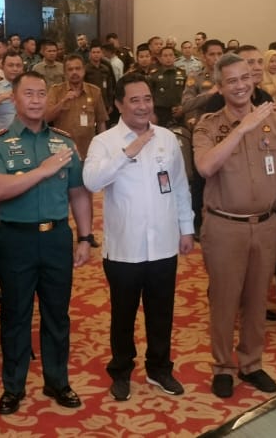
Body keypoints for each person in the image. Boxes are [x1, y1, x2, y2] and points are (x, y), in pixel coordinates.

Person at [0, 70, 94, 414]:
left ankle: (57, 381)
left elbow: (78, 192)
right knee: (16, 315)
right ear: (14, 99)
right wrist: (42, 171)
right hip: (16, 239)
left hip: (57, 237)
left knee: (57, 314)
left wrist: (85, 236)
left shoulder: (63, 142)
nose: (35, 100)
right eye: (28, 94)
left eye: (41, 94)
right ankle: (13, 386)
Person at [83, 73, 194, 401]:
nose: (143, 106)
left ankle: (159, 369)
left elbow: (179, 185)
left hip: (163, 245)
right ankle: (121, 371)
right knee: (123, 315)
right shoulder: (104, 142)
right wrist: (128, 151)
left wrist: (186, 227)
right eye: (135, 100)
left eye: (147, 99)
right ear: (119, 104)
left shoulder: (167, 138)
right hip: (124, 249)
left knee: (161, 312)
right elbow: (91, 182)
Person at [192, 53, 276, 398]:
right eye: (231, 81)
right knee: (224, 301)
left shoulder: (274, 122)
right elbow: (206, 167)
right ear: (220, 87)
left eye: (245, 78)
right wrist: (242, 129)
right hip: (225, 226)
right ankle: (223, 366)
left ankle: (251, 363)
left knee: (256, 300)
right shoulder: (207, 125)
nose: (240, 86)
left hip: (265, 225)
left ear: (253, 80)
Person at [45, 55, 108, 158]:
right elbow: (46, 118)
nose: (74, 72)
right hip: (63, 152)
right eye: (70, 69)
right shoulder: (55, 91)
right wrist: (62, 102)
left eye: (78, 68)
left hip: (88, 151)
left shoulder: (94, 91)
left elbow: (101, 122)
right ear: (65, 72)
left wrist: (104, 148)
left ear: (84, 70)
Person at [148, 47, 186, 127]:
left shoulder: (182, 73)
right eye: (165, 56)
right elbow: (149, 95)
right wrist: (151, 113)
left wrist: (183, 107)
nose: (168, 58)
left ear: (174, 57)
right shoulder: (154, 75)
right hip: (159, 112)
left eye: (170, 55)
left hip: (178, 111)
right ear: (160, 58)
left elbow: (186, 93)